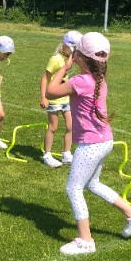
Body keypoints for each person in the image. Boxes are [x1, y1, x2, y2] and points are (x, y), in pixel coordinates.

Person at [46, 32, 131, 255]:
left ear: (80, 57)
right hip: (105, 140)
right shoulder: (98, 79)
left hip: (91, 144)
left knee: (73, 188)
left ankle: (86, 241)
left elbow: (50, 91)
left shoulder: (80, 81)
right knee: (92, 184)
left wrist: (64, 67)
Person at [39, 30, 82, 167]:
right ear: (65, 45)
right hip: (54, 99)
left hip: (65, 99)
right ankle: (47, 155)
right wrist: (43, 97)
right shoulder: (56, 59)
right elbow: (45, 77)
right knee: (53, 126)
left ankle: (66, 154)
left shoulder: (70, 58)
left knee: (70, 126)